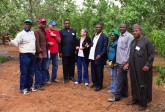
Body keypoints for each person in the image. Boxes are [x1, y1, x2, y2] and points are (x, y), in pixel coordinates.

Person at [124, 24, 154, 111]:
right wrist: (128, 64)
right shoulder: (133, 42)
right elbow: (131, 55)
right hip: (133, 67)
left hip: (143, 68)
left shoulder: (146, 41)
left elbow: (151, 54)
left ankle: (143, 103)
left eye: (136, 30)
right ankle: (135, 98)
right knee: (134, 82)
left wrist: (147, 65)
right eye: (133, 31)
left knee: (143, 84)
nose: (135, 32)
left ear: (140, 31)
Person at [7, 18, 36, 95]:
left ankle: (29, 87)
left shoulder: (32, 33)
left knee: (31, 72)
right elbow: (16, 43)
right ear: (24, 24)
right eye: (26, 23)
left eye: (29, 24)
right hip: (24, 55)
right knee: (24, 72)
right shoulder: (20, 34)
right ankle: (23, 88)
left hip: (32, 55)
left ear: (31, 25)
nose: (27, 25)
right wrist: (10, 40)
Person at [108, 23, 133, 101]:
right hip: (118, 61)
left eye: (123, 27)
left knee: (119, 78)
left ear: (126, 28)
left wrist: (126, 61)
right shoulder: (120, 36)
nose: (121, 28)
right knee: (124, 78)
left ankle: (117, 96)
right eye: (120, 27)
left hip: (123, 61)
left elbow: (129, 50)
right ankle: (124, 93)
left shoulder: (129, 36)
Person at [89, 23, 108, 91]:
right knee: (93, 71)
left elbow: (105, 48)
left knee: (99, 71)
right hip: (92, 56)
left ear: (101, 28)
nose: (98, 28)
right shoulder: (94, 35)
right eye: (97, 27)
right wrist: (90, 45)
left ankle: (99, 85)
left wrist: (100, 55)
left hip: (99, 57)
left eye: (99, 27)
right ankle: (95, 82)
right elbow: (92, 44)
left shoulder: (104, 37)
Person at [34, 18, 50, 90]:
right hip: (40, 54)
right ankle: (37, 84)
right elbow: (37, 43)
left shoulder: (44, 31)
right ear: (39, 24)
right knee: (38, 69)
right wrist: (39, 53)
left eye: (44, 23)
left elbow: (44, 43)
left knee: (44, 68)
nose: (43, 24)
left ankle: (43, 81)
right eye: (42, 23)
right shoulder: (37, 31)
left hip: (45, 53)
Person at [107, 30, 119, 94]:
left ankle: (114, 89)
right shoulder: (111, 43)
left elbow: (116, 54)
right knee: (111, 75)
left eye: (113, 35)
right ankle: (112, 87)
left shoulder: (117, 43)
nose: (111, 36)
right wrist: (109, 61)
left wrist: (113, 63)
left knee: (114, 75)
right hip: (110, 60)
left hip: (114, 61)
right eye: (111, 35)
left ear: (116, 36)